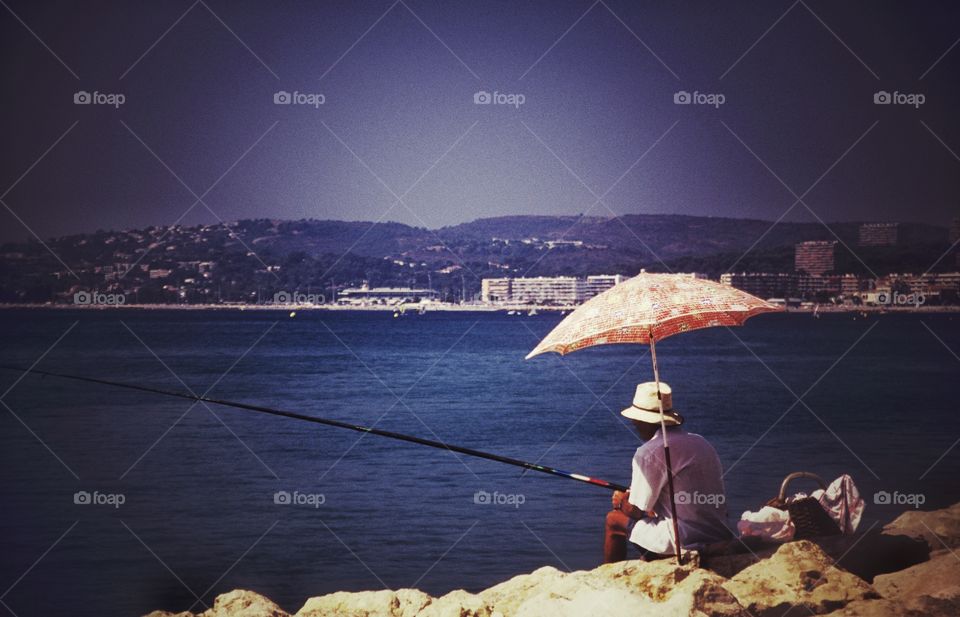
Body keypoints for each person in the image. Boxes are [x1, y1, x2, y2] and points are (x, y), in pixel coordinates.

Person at [603, 382, 731, 563]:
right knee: (653, 520)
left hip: (684, 541)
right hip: (718, 533)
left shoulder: (648, 452)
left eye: (636, 421)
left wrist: (621, 502)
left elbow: (636, 511)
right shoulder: (701, 442)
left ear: (644, 421)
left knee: (613, 520)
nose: (634, 424)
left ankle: (609, 578)